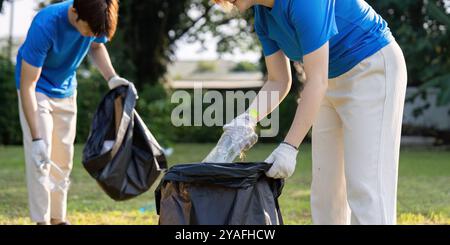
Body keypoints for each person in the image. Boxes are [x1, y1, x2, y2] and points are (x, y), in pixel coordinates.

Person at [210, 0, 407, 225]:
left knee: (366, 186)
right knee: (326, 190)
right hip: (326, 78)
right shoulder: (263, 17)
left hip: (371, 67)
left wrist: (288, 147)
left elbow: (316, 81)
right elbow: (278, 80)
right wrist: (248, 118)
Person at [16, 0, 132, 225]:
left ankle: (58, 218)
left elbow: (97, 46)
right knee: (42, 158)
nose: (89, 36)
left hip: (67, 90)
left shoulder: (95, 15)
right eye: (88, 31)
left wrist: (111, 77)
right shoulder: (46, 25)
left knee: (63, 159)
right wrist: (37, 138)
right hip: (38, 89)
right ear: (74, 13)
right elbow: (28, 84)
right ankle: (42, 221)